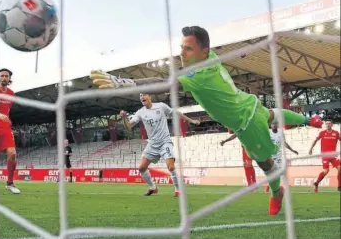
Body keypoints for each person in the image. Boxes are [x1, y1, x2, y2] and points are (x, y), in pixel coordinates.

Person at [89, 26, 323, 215]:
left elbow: (162, 84)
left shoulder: (197, 76)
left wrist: (125, 83)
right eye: (182, 47)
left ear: (203, 51)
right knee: (271, 113)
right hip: (248, 103)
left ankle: (275, 192)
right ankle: (307, 119)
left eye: (188, 49)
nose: (182, 53)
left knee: (264, 162)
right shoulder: (210, 58)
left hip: (246, 122)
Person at [120, 93, 200, 197]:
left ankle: (178, 190)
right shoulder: (140, 112)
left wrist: (191, 120)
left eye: (144, 95)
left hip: (164, 141)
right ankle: (153, 188)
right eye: (140, 96)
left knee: (171, 167)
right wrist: (124, 118)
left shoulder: (161, 106)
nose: (142, 97)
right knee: (141, 168)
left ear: (149, 96)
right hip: (152, 144)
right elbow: (129, 126)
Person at [308, 119, 340, 192]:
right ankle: (316, 183)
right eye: (327, 124)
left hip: (333, 155)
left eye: (329, 123)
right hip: (325, 155)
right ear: (325, 125)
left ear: (332, 125)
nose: (328, 125)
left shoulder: (336, 133)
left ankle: (339, 186)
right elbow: (315, 140)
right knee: (326, 171)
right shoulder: (322, 133)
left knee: (340, 168)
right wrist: (311, 149)